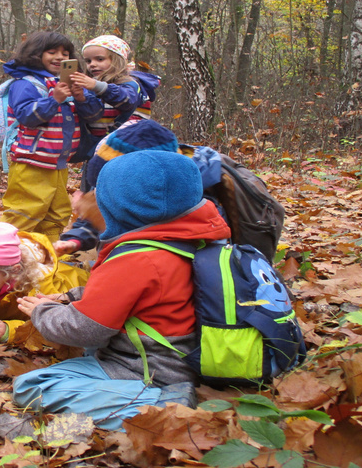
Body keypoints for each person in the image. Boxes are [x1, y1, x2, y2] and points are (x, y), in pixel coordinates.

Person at [13, 149, 232, 430]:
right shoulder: (191, 238)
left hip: (152, 367)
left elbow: (84, 329)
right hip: (190, 355)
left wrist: (42, 312)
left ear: (120, 205)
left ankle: (158, 410)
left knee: (32, 387)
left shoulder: (134, 258)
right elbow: (152, 294)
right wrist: (70, 296)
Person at [0, 31, 104, 243]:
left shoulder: (69, 83)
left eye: (65, 54)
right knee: (24, 213)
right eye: (52, 52)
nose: (60, 57)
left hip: (58, 163)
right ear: (36, 54)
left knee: (57, 213)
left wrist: (81, 97)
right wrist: (54, 99)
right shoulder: (26, 83)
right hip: (31, 162)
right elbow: (27, 116)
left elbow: (94, 115)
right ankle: (4, 254)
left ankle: (46, 254)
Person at [0, 219, 88, 343]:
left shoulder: (38, 289)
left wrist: (9, 330)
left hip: (82, 287)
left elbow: (58, 325)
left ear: (13, 272)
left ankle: (85, 265)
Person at [54, 119, 180, 256]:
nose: (102, 191)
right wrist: (75, 240)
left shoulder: (179, 203)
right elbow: (92, 223)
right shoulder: (110, 191)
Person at [69, 35, 143, 143]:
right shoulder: (89, 84)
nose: (92, 64)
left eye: (100, 59)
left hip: (125, 143)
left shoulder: (128, 82)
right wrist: (81, 98)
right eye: (88, 61)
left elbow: (128, 100)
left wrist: (98, 87)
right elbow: (89, 116)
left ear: (117, 60)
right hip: (97, 144)